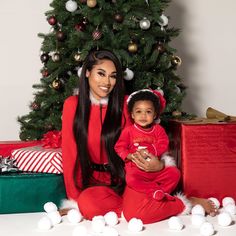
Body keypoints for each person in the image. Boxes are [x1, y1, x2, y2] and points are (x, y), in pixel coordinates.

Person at [61, 49, 218, 223]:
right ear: (87, 73)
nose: (107, 82)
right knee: (88, 204)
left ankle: (179, 203)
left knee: (134, 212)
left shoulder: (127, 105)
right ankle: (141, 206)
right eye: (101, 74)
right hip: (96, 184)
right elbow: (70, 154)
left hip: (127, 178)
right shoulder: (72, 105)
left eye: (113, 76)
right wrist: (74, 200)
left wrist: (158, 165)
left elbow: (144, 141)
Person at [115, 89, 179, 201]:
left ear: (154, 115)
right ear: (132, 115)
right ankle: (154, 192)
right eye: (139, 111)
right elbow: (119, 147)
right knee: (131, 180)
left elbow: (163, 144)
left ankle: (162, 193)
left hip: (156, 168)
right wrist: (130, 156)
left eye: (148, 112)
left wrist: (152, 152)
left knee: (175, 173)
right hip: (137, 170)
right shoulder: (128, 131)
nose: (143, 115)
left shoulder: (158, 130)